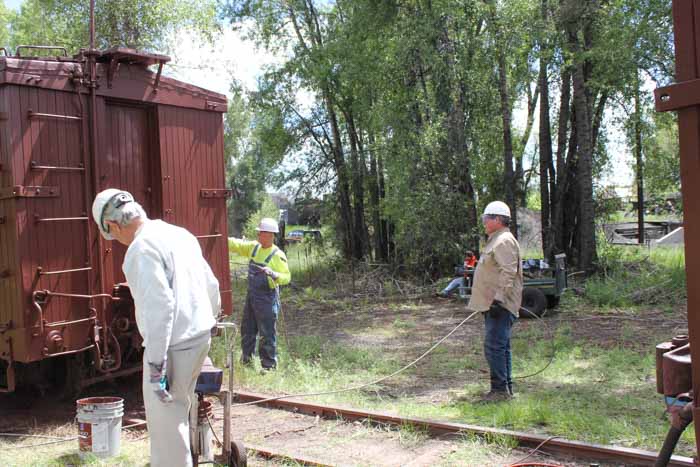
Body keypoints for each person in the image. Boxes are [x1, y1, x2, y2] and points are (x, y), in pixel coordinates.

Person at [91, 189, 220, 467]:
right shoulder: (178, 233)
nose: (118, 241)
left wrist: (155, 365)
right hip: (198, 339)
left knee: (167, 435)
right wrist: (211, 323)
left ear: (112, 225)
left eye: (112, 235)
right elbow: (212, 285)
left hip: (173, 347)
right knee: (180, 413)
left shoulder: (141, 250)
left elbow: (159, 309)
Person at [467, 201, 523, 402]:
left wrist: (499, 298)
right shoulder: (496, 240)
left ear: (498, 220)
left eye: (486, 218)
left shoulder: (504, 241)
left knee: (495, 346)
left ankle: (499, 392)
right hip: (494, 303)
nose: (483, 222)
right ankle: (504, 389)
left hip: (500, 304)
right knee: (500, 345)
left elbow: (508, 272)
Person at [228, 218, 291, 370]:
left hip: (267, 300)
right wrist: (222, 236)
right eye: (259, 232)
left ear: (270, 235)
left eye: (261, 233)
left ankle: (268, 367)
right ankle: (247, 362)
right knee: (247, 330)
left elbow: (287, 277)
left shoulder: (277, 255)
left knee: (267, 334)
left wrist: (274, 274)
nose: (258, 235)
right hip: (251, 298)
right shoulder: (254, 247)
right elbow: (236, 245)